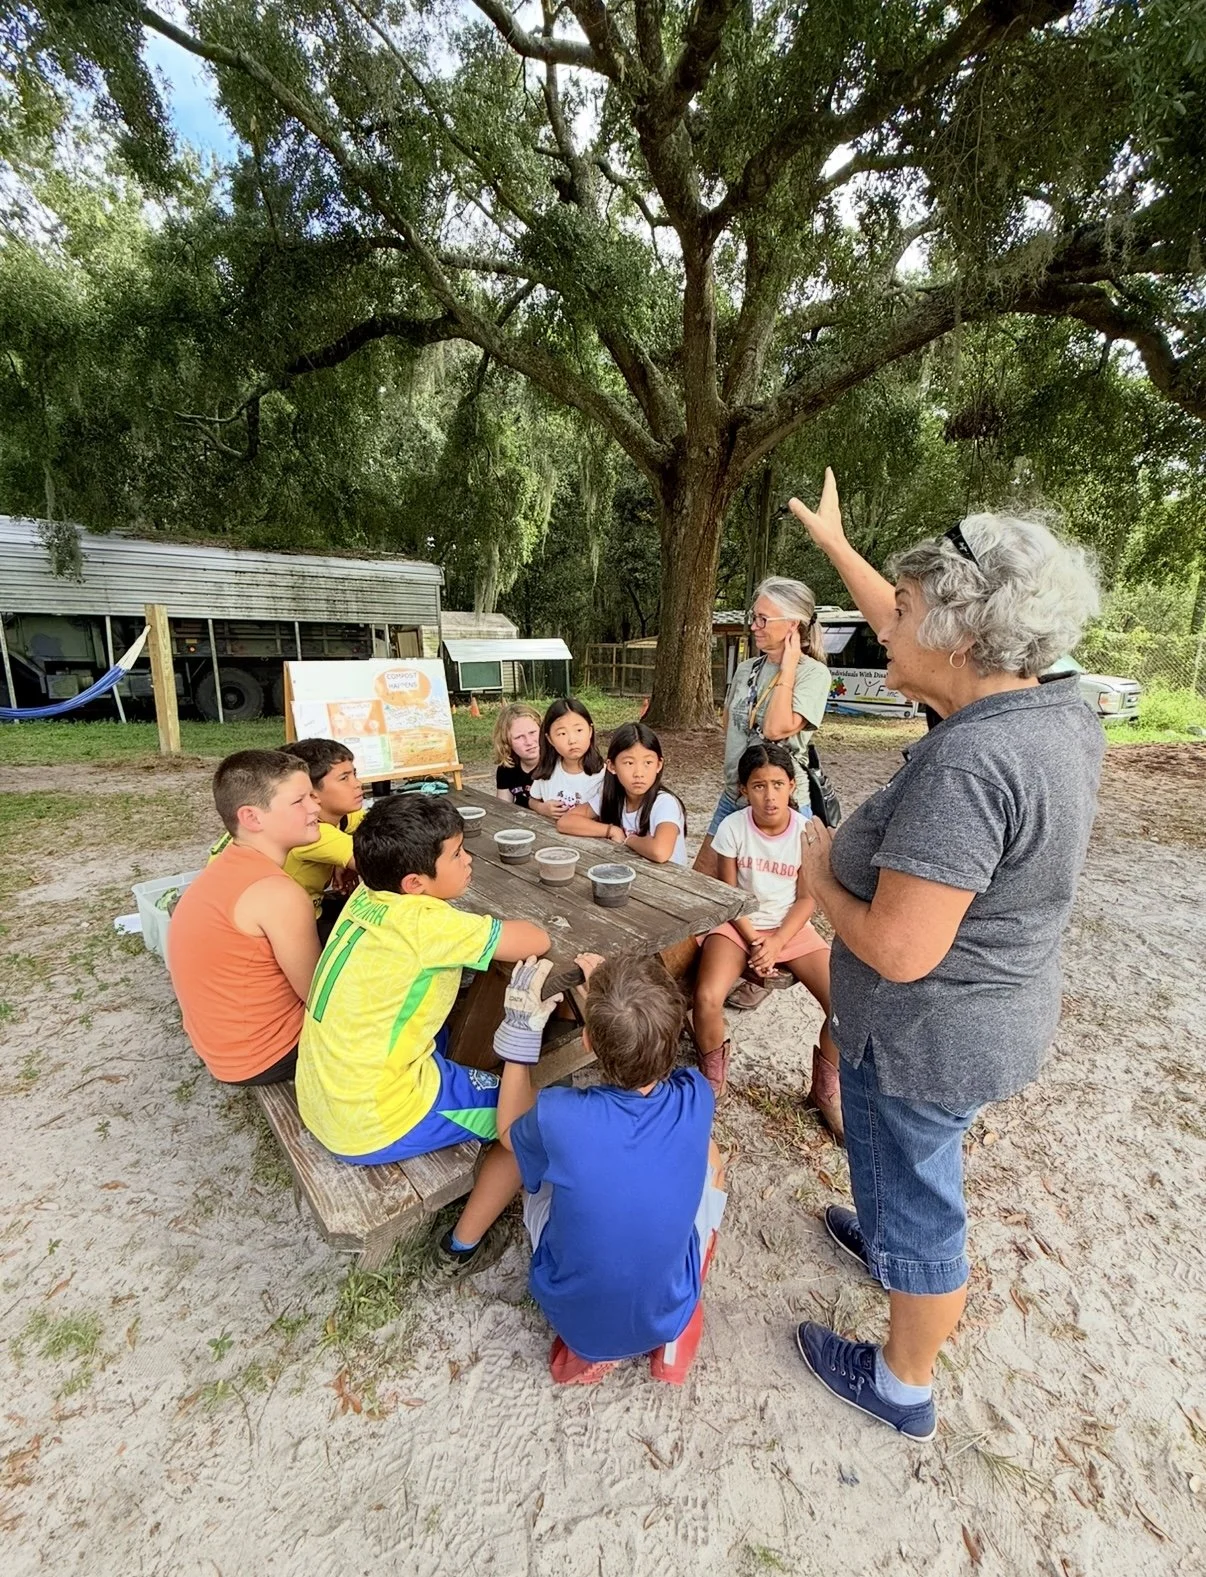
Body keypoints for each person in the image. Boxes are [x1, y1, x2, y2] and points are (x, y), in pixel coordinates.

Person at [788, 479, 1103, 1442]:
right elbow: (906, 616)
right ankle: (885, 1236)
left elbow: (896, 946)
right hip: (986, 1019)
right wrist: (838, 543)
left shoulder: (970, 764)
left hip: (928, 1035)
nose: (882, 624)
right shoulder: (1050, 708)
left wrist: (817, 875)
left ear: (962, 636)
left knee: (925, 1201)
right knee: (897, 1163)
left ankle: (902, 1380)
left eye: (908, 609)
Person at [295, 794, 550, 1276]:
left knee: (456, 1032)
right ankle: (460, 1247)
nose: (468, 859)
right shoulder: (427, 921)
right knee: (528, 1121)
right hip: (371, 1118)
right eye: (456, 854)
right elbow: (535, 939)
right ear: (415, 884)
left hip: (324, 1092)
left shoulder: (367, 896)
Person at [492, 952, 726, 1385]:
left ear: (586, 1043)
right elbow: (633, 1039)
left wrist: (520, 1037)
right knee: (712, 1161)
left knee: (536, 1159)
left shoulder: (558, 1116)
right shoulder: (696, 1093)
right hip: (665, 1311)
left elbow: (508, 1131)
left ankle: (604, 1342)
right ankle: (676, 1322)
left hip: (575, 1316)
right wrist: (610, 994)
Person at [692, 743, 839, 1128]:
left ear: (792, 785)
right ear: (743, 789)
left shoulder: (806, 832)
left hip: (791, 927)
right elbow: (731, 895)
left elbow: (808, 899)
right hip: (739, 924)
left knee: (845, 1005)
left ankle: (826, 1090)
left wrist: (775, 942)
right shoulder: (732, 827)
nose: (769, 795)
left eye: (778, 784)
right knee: (707, 996)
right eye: (758, 786)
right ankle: (712, 1080)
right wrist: (755, 937)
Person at [169, 750, 322, 1085]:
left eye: (312, 794)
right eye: (299, 801)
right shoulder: (277, 893)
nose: (315, 806)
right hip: (266, 1055)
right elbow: (319, 995)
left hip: (225, 1046)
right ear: (252, 818)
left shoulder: (228, 865)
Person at [694, 576, 831, 882]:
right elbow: (729, 722)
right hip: (736, 794)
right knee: (704, 877)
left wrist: (789, 667)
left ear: (793, 625)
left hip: (783, 803)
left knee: (777, 889)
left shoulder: (814, 675)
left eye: (762, 618)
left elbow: (775, 727)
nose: (754, 625)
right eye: (753, 617)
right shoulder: (747, 669)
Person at [208, 737, 366, 940]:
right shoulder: (305, 832)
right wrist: (346, 856)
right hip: (291, 924)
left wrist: (343, 856)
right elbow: (380, 864)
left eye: (355, 774)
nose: (358, 784)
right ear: (312, 791)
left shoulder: (338, 817)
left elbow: (373, 824)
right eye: (344, 778)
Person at [557, 722, 687, 865]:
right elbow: (565, 822)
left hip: (670, 882)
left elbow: (660, 852)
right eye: (629, 763)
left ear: (659, 765)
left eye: (648, 762)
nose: (639, 773)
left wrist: (629, 839)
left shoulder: (664, 802)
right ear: (612, 766)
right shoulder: (612, 796)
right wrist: (610, 830)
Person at [526, 698, 606, 819]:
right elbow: (532, 800)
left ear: (590, 731)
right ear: (550, 739)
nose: (572, 740)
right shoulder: (548, 771)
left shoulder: (602, 774)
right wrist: (542, 808)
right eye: (562, 733)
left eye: (579, 730)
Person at [493, 703, 543, 809]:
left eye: (533, 732)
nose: (529, 742)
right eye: (519, 737)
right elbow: (503, 809)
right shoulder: (507, 768)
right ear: (506, 741)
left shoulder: (557, 765)